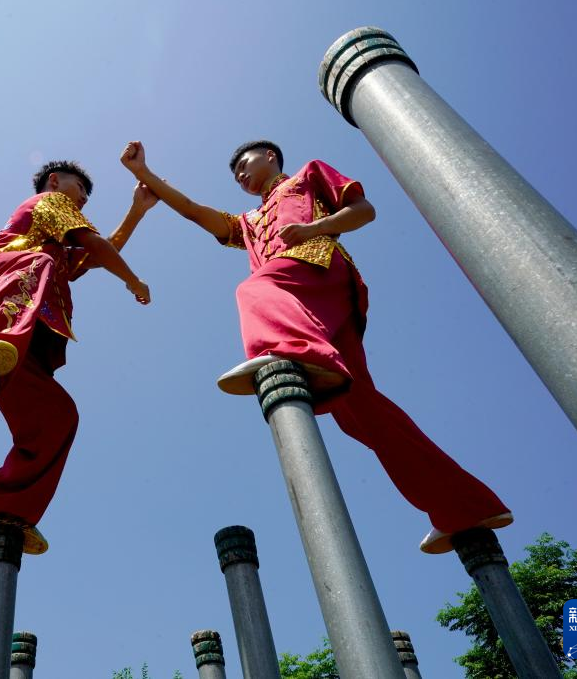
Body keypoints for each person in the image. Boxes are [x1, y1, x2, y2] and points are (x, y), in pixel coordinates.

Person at [120, 139, 510, 553]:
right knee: (360, 413)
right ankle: (462, 506)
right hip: (304, 308)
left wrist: (312, 229)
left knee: (254, 288)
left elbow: (364, 211)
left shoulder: (307, 176)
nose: (240, 175)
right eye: (235, 176)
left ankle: (296, 350)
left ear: (270, 156)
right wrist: (145, 175)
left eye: (244, 164)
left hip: (318, 271)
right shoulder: (247, 222)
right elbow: (195, 211)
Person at [0, 160, 154, 554]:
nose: (83, 198)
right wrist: (132, 280)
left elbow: (94, 255)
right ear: (54, 182)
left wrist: (137, 211)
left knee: (58, 417)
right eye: (80, 188)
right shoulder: (49, 203)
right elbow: (96, 245)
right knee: (38, 262)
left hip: (21, 334)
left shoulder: (55, 240)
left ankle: (4, 508)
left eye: (86, 195)